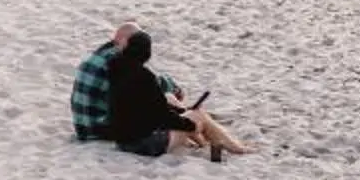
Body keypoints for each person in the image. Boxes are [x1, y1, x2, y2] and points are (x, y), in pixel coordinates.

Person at [103, 30, 251, 161]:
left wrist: (181, 111)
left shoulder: (116, 70)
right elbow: (162, 116)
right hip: (145, 145)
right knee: (198, 116)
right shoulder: (144, 77)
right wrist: (190, 124)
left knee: (172, 101)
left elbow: (142, 105)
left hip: (122, 141)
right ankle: (236, 148)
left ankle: (206, 143)